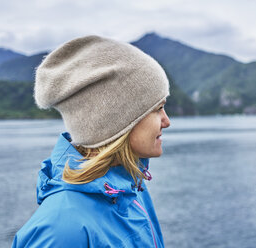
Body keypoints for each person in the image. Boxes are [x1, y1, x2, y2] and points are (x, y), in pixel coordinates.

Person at [11, 35, 170, 247]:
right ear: (117, 120)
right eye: (158, 108)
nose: (166, 121)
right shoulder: (61, 231)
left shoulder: (130, 190)